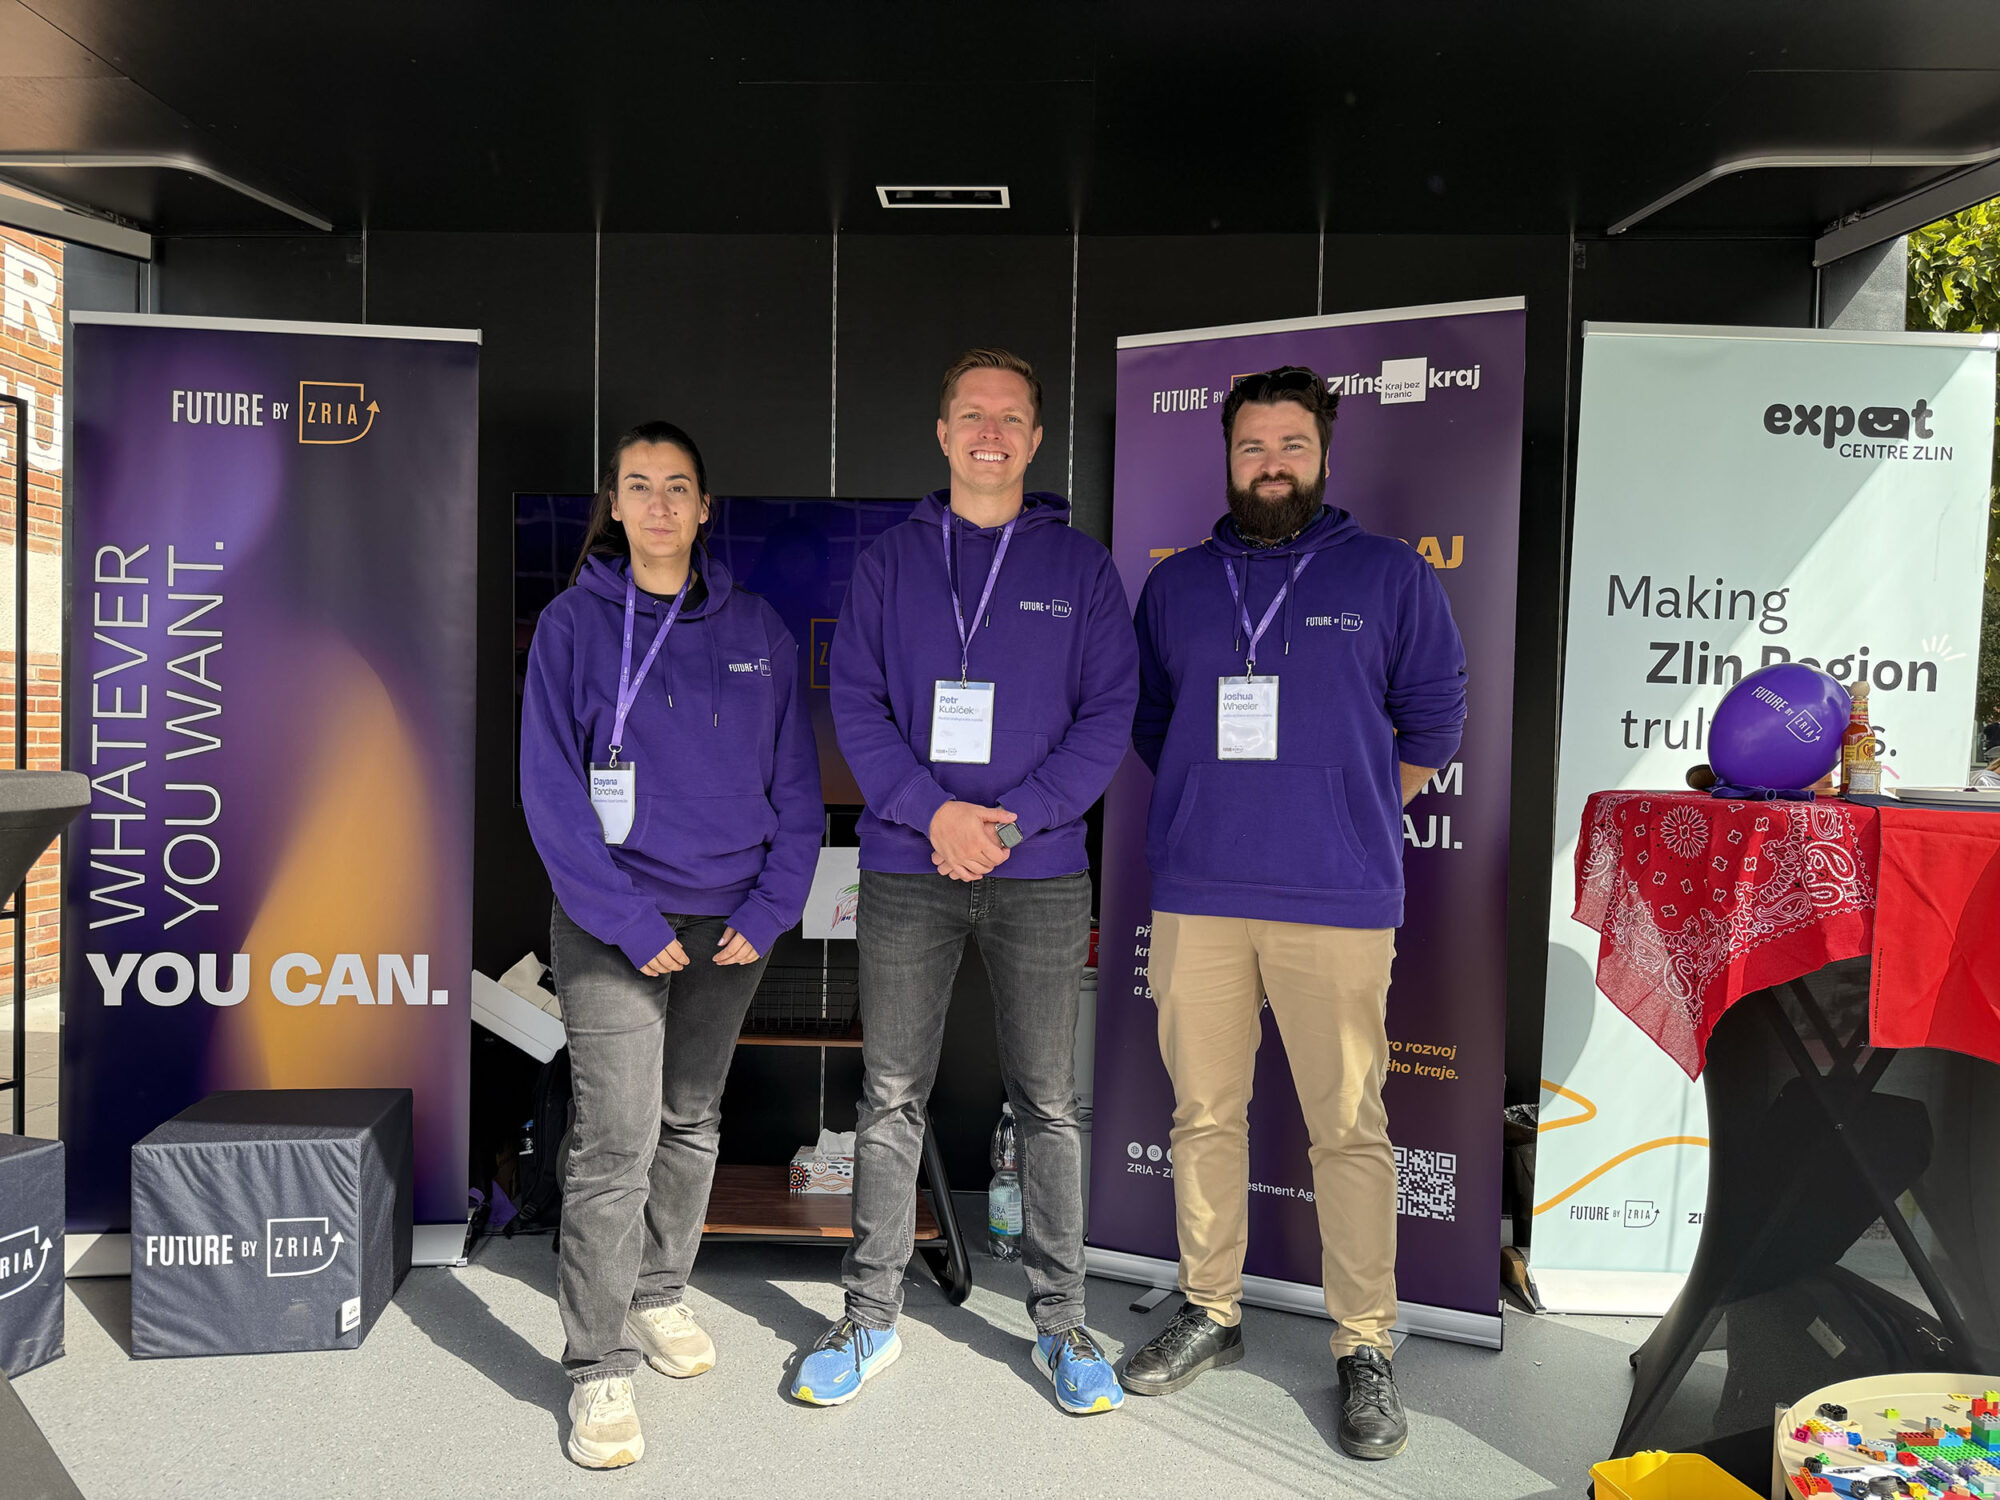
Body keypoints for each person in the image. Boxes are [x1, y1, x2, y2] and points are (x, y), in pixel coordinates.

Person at [1120, 367, 1467, 1461]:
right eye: (1251, 447)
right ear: (1226, 458)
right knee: (1202, 1117)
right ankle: (1209, 1310)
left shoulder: (1389, 575)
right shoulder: (1177, 586)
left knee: (1348, 1127)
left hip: (1337, 897)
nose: (1270, 464)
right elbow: (1153, 721)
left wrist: (1347, 807)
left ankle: (1363, 1342)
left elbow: (1434, 720)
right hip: (1199, 893)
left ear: (1323, 454)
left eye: (1290, 445)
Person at [794, 348, 1139, 1415]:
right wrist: (932, 813)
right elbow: (855, 702)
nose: (990, 433)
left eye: (1010, 418)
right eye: (972, 416)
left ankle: (1062, 1322)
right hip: (909, 863)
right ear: (942, 434)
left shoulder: (1080, 569)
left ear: (1035, 441)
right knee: (890, 1095)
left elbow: (1107, 718)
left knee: (1048, 1103)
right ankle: (869, 1317)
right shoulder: (891, 562)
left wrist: (1011, 822)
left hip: (1041, 873)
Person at [521, 420, 821, 1469]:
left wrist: (770, 909)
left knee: (690, 1118)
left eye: (676, 487)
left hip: (730, 926)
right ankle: (596, 1365)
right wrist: (628, 921)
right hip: (613, 923)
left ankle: (656, 1292)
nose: (658, 504)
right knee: (615, 1140)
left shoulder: (759, 629)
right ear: (615, 505)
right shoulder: (571, 625)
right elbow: (551, 793)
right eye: (638, 486)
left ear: (703, 508)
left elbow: (797, 787)